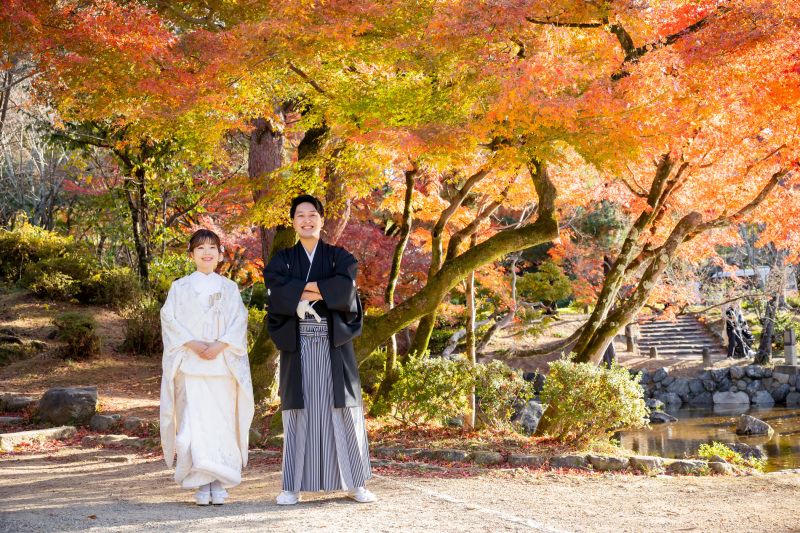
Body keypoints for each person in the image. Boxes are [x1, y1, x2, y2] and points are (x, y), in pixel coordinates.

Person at [265, 194, 374, 505]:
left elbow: (346, 290)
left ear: (322, 220)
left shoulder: (340, 256)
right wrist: (324, 287)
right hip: (298, 345)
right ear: (293, 222)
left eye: (312, 214)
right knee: (299, 412)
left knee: (343, 411)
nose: (307, 219)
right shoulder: (282, 259)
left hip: (334, 343)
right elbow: (276, 292)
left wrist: (299, 287)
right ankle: (292, 487)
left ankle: (355, 483)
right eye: (300, 215)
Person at [159, 229, 254, 506]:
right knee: (193, 425)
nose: (207, 252)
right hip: (191, 365)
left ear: (220, 254)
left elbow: (239, 321)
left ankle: (218, 479)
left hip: (221, 366)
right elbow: (169, 319)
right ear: (191, 255)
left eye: (212, 247)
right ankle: (201, 480)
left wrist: (220, 344)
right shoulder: (180, 287)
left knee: (220, 424)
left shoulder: (229, 288)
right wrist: (192, 342)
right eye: (200, 248)